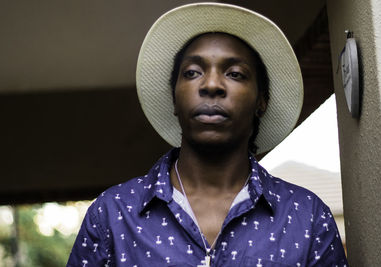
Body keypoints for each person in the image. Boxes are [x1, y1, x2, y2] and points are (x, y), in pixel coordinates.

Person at [67, 3, 348, 266]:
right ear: (174, 99)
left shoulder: (307, 218)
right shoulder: (112, 214)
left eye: (235, 73)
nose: (212, 84)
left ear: (261, 100)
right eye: (192, 72)